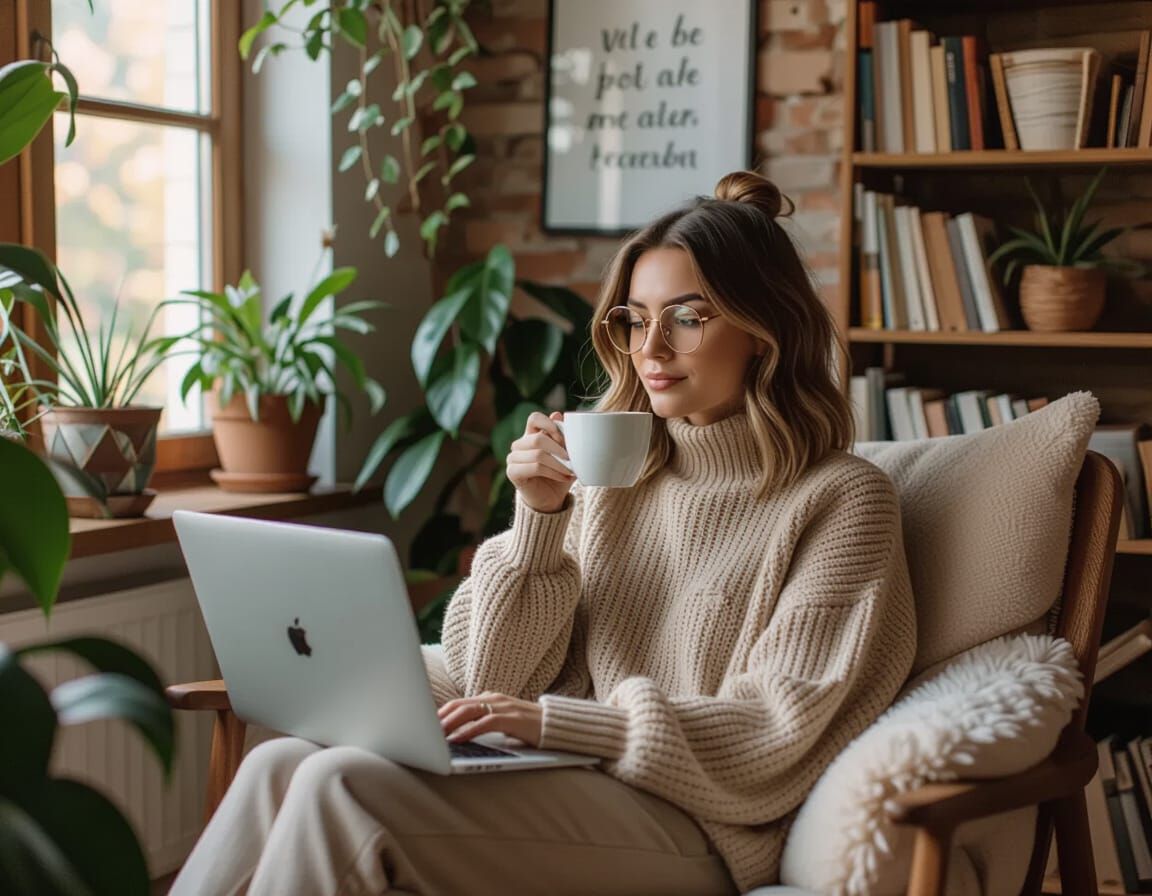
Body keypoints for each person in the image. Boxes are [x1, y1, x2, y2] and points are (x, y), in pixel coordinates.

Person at [171, 171, 916, 896]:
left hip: (699, 823)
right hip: (562, 780)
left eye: (689, 316)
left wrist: (560, 725)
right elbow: (492, 676)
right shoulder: (615, 479)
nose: (651, 347)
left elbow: (777, 727)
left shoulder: (842, 502)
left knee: (343, 788)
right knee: (280, 765)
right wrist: (538, 519)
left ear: (764, 332)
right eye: (634, 317)